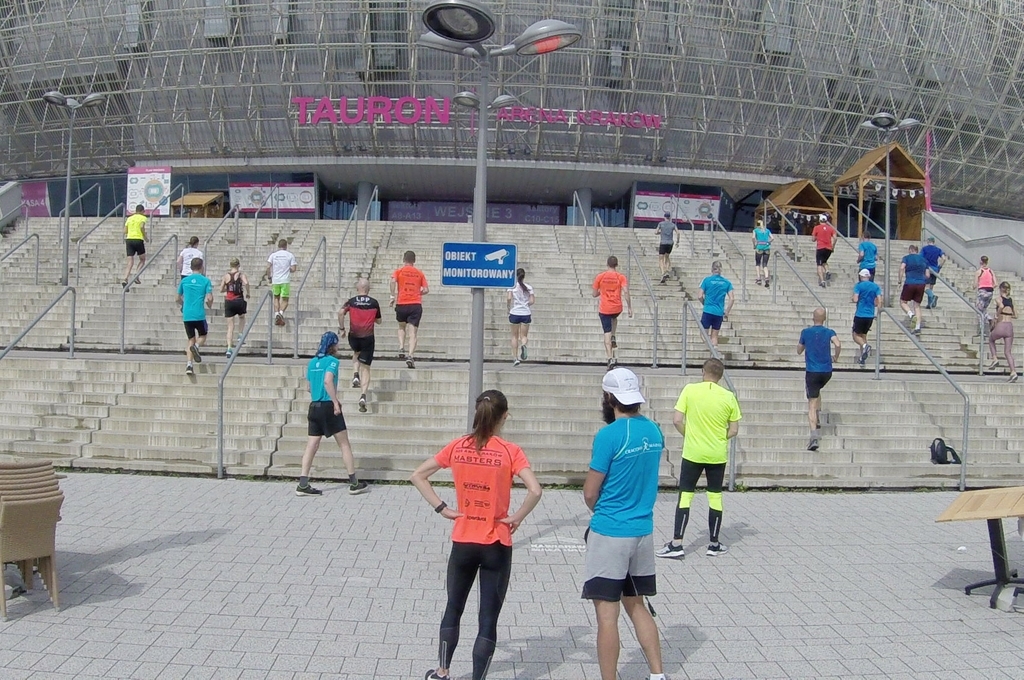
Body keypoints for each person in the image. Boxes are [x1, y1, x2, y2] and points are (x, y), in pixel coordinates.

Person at [410, 390, 542, 680]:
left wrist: (442, 508)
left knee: (454, 607)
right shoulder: (510, 451)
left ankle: (442, 671)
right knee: (487, 618)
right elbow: (535, 490)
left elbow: (418, 475)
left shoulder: (458, 446)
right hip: (496, 542)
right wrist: (517, 517)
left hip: (463, 539)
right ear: (504, 416)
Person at [583, 368, 666, 680]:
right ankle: (657, 674)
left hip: (611, 531)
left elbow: (590, 492)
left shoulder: (609, 435)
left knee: (607, 615)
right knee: (636, 604)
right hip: (642, 529)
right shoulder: (654, 430)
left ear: (609, 398)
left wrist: (600, 511)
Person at [657, 358, 741, 561]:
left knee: (686, 495)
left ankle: (677, 543)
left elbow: (677, 420)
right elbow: (734, 429)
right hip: (716, 453)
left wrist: (690, 435)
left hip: (693, 452)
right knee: (715, 496)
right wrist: (719, 438)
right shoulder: (729, 396)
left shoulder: (690, 390)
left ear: (703, 371)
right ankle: (714, 544)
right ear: (721, 376)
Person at [298, 331, 369, 496]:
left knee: (311, 445)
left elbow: (308, 387)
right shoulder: (333, 362)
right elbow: (328, 380)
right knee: (344, 444)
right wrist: (335, 401)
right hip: (328, 406)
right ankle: (354, 483)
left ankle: (302, 483)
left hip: (314, 406)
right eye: (336, 343)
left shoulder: (312, 362)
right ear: (332, 345)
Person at [797, 308, 840, 452]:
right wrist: (836, 357)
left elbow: (799, 350)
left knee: (811, 403)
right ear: (825, 318)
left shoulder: (806, 332)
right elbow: (837, 344)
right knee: (817, 390)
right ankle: (818, 415)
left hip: (812, 371)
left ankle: (814, 436)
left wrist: (803, 347)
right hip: (827, 372)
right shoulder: (829, 332)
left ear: (812, 317)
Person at [338, 278, 381, 413]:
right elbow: (379, 321)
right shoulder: (374, 302)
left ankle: (355, 374)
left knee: (356, 352)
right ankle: (363, 395)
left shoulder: (351, 301)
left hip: (354, 335)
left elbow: (340, 312)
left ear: (358, 289)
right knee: (366, 368)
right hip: (368, 337)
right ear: (368, 289)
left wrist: (342, 328)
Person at [390, 250, 429, 369]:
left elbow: (392, 281)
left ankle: (401, 346)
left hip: (402, 303)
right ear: (414, 260)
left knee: (401, 326)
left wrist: (392, 295)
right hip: (415, 304)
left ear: (404, 259)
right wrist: (418, 293)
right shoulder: (419, 273)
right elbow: (426, 290)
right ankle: (410, 356)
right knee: (413, 333)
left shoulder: (399, 271)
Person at [592, 256, 632, 369]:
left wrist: (601, 292)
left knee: (606, 333)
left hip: (605, 309)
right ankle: (613, 335)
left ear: (607, 264)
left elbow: (594, 294)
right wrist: (629, 307)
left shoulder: (600, 277)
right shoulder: (621, 277)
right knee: (614, 317)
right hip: (617, 307)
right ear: (617, 265)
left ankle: (610, 358)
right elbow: (626, 292)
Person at [176, 257, 213, 375]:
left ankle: (189, 365)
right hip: (199, 314)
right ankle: (196, 346)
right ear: (202, 267)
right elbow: (209, 298)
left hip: (187, 314)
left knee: (190, 339)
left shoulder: (184, 281)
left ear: (191, 267)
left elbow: (177, 298)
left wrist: (183, 304)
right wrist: (210, 304)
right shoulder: (205, 281)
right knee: (203, 335)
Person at [698, 261, 734, 348]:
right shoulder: (727, 282)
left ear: (712, 269)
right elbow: (732, 298)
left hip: (708, 310)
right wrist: (727, 312)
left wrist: (704, 303)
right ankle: (714, 350)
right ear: (721, 270)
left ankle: (710, 348)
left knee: (703, 334)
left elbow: (699, 296)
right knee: (714, 336)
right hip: (719, 312)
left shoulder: (706, 280)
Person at [987, 282, 1017, 382]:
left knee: (991, 340)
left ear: (1000, 289)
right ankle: (1013, 372)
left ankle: (995, 358)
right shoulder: (1011, 300)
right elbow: (1016, 315)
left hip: (1001, 325)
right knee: (1008, 352)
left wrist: (996, 316)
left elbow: (1000, 306)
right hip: (1009, 326)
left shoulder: (998, 299)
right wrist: (1008, 314)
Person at [220, 258, 250, 357]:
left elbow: (221, 289)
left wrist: (228, 289)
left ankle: (229, 348)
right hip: (239, 299)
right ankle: (240, 334)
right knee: (242, 317)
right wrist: (248, 292)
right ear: (238, 265)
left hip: (229, 301)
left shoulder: (226, 276)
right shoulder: (241, 275)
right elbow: (246, 283)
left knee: (230, 326)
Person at [851, 269, 882, 365]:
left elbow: (855, 299)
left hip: (860, 314)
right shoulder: (875, 286)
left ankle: (865, 346)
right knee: (863, 335)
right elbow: (879, 300)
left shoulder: (859, 286)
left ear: (861, 276)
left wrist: (853, 298)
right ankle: (862, 357)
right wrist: (878, 311)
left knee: (856, 335)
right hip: (870, 315)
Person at [265, 239, 297, 326]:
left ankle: (276, 314)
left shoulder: (273, 255)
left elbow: (268, 267)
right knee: (285, 299)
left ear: (278, 246)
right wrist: (288, 269)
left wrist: (269, 277)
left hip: (276, 280)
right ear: (286, 246)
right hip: (285, 280)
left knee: (276, 297)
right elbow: (294, 269)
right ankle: (281, 313)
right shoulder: (290, 255)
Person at [506, 268, 535, 366]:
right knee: (524, 336)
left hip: (515, 312)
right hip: (525, 313)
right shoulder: (529, 287)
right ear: (524, 276)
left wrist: (508, 307)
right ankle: (524, 345)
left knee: (514, 336)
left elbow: (509, 298)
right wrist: (526, 304)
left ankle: (515, 358)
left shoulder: (512, 287)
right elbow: (532, 301)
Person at [898, 244, 929, 335]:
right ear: (917, 250)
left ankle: (911, 315)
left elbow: (902, 268)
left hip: (910, 282)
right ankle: (917, 327)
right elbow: (927, 275)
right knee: (917, 306)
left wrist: (900, 280)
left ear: (910, 250)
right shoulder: (924, 260)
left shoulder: (906, 258)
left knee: (903, 302)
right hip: (921, 284)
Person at [121, 204, 148, 287]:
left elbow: (124, 231)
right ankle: (136, 275)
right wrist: (145, 237)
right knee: (142, 259)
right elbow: (142, 227)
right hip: (138, 239)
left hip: (129, 240)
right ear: (142, 211)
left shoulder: (129, 218)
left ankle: (125, 278)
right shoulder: (143, 218)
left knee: (130, 262)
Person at [920, 237, 946, 309]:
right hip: (934, 270)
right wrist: (939, 267)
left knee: (925, 287)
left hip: (927, 269)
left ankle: (933, 296)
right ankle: (930, 304)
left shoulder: (924, 249)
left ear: (928, 241)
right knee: (931, 287)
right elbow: (944, 258)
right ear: (934, 242)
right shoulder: (938, 249)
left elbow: (920, 258)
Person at [812, 214, 837, 288]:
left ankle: (822, 281)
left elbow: (813, 239)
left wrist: (816, 237)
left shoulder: (817, 227)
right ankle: (827, 271)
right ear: (826, 221)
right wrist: (833, 246)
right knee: (824, 261)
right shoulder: (831, 228)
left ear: (819, 221)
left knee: (819, 264)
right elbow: (835, 238)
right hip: (828, 248)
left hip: (820, 247)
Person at [655, 213, 678, 284]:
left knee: (661, 259)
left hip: (663, 243)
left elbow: (656, 232)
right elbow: (678, 233)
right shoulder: (673, 225)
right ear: (670, 217)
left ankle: (663, 272)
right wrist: (678, 241)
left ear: (664, 217)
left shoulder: (661, 224)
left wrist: (661, 233)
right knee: (667, 257)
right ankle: (667, 270)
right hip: (670, 243)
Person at [976, 256, 998, 323]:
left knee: (979, 308)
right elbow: (996, 284)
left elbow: (975, 284)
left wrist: (973, 287)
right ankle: (985, 320)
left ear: (981, 262)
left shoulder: (979, 271)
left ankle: (987, 318)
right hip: (990, 291)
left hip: (982, 290)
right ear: (987, 262)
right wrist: (991, 287)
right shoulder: (991, 271)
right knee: (984, 308)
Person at [751, 220, 773, 287]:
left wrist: (754, 244)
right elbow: (772, 238)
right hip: (767, 248)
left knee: (758, 263)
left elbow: (753, 238)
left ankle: (759, 278)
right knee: (765, 264)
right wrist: (769, 242)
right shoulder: (767, 230)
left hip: (759, 247)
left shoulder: (755, 230)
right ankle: (766, 278)